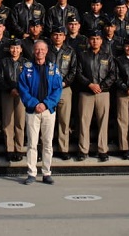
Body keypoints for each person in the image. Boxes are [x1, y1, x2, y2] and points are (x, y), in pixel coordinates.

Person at [18, 40, 62, 185]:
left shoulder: (53, 68)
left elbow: (57, 90)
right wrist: (35, 104)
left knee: (48, 143)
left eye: (42, 49)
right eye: (37, 49)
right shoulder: (26, 68)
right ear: (33, 51)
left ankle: (46, 172)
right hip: (32, 111)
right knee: (32, 143)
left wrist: (46, 104)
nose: (40, 52)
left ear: (47, 51)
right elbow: (22, 89)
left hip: (48, 111)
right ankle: (31, 173)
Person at [74, 29, 116, 162]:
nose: (95, 41)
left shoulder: (107, 56)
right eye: (92, 39)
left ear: (101, 41)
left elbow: (112, 74)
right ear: (89, 40)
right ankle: (83, 150)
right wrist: (89, 84)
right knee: (83, 122)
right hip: (86, 92)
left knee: (103, 122)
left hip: (103, 93)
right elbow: (78, 72)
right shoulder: (82, 55)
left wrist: (101, 86)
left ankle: (102, 150)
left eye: (97, 39)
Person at [46, 27, 78, 160]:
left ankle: (63, 148)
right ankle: (46, 148)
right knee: (46, 121)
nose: (58, 37)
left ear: (64, 37)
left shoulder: (70, 51)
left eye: (60, 35)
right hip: (48, 90)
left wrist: (64, 83)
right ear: (52, 36)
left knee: (64, 120)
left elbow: (73, 70)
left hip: (64, 89)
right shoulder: (46, 50)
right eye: (55, 34)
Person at [0, 38, 26, 162]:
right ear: (9, 49)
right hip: (7, 93)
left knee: (20, 121)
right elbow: (0, 79)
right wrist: (10, 89)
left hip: (22, 95)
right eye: (13, 48)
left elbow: (29, 79)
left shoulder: (26, 63)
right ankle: (9, 149)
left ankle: (19, 148)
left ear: (21, 49)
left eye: (17, 48)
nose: (15, 50)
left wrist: (20, 90)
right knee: (7, 122)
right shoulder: (3, 62)